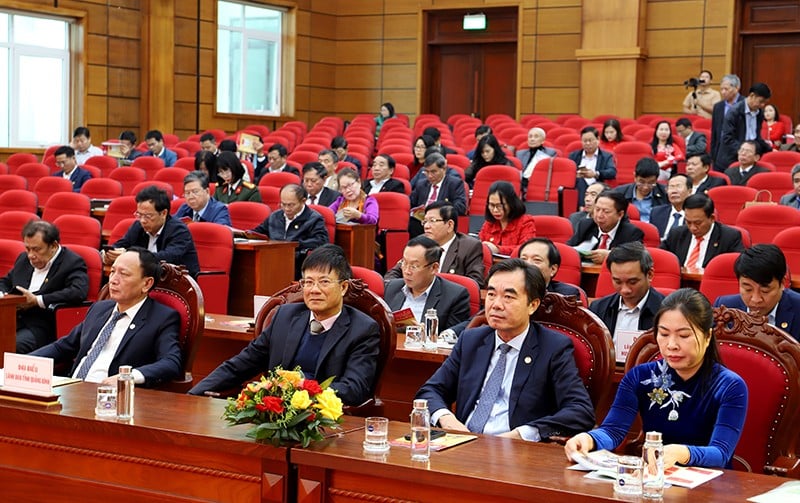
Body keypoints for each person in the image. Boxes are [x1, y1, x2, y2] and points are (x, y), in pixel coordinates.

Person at [566, 288, 747, 469]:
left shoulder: (729, 386)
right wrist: (589, 439)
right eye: (664, 334)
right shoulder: (641, 377)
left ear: (707, 337)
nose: (672, 345)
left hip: (708, 485)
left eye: (684, 336)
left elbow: (721, 453)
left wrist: (681, 453)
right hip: (655, 476)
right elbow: (613, 430)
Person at [416, 259, 595, 440]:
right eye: (492, 294)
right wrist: (448, 421)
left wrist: (523, 434)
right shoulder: (471, 340)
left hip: (517, 453)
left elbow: (580, 411)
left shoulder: (553, 347)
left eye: (508, 297)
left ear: (532, 305)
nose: (496, 304)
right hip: (463, 445)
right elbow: (430, 391)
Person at [189, 244, 381, 406]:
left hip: (327, 420)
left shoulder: (362, 329)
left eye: (324, 282)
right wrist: (194, 394)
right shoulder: (285, 317)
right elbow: (241, 364)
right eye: (308, 282)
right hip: (274, 414)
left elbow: (354, 389)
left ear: (343, 287)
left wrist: (297, 391)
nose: (314, 290)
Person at [32, 248, 183, 387]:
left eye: (124, 274)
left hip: (111, 399)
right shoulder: (100, 308)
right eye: (112, 272)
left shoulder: (162, 318)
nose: (113, 280)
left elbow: (171, 362)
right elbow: (63, 346)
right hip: (73, 389)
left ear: (147, 283)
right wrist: (21, 363)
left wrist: (128, 377)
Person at [0, 221, 88, 353]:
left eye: (36, 249)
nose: (31, 255)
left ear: (53, 246)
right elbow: (5, 282)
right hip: (12, 319)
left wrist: (38, 300)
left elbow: (78, 292)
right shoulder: (23, 259)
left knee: (10, 346)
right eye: (28, 249)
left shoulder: (72, 262)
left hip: (42, 325)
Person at [105, 185, 200, 277]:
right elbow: (121, 245)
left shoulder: (179, 230)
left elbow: (167, 257)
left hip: (177, 283)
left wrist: (129, 255)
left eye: (148, 216)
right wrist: (109, 254)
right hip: (146, 280)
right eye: (139, 215)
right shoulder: (138, 226)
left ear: (163, 213)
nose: (142, 220)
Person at [385, 201, 485, 288]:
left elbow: (475, 283)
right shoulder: (420, 242)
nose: (426, 226)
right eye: (425, 221)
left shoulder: (469, 247)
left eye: (432, 221)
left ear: (450, 225)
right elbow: (392, 274)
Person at [384, 236, 471, 330]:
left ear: (434, 268)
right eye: (404, 263)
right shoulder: (392, 287)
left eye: (414, 266)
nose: (407, 271)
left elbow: (451, 339)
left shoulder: (455, 296)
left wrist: (426, 335)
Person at [713, 244, 800, 339]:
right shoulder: (725, 307)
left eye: (765, 291)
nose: (756, 299)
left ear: (782, 283)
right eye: (748, 289)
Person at [251, 184, 330, 278]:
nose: (287, 209)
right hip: (271, 261)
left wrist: (294, 245)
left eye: (291, 205)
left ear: (303, 201)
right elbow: (257, 233)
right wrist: (243, 235)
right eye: (283, 204)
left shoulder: (314, 219)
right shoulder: (275, 216)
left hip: (296, 263)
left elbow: (321, 241)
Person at [589, 242, 665, 339]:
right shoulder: (598, 309)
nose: (625, 290)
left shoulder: (667, 311)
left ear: (649, 275)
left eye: (632, 282)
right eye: (618, 282)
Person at [660, 193, 744, 271]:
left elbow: (736, 268)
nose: (692, 228)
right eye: (688, 222)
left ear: (712, 218)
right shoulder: (677, 234)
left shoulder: (729, 237)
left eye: (698, 223)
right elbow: (660, 259)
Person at [567, 190, 644, 265]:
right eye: (597, 209)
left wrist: (610, 255)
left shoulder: (632, 232)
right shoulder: (585, 225)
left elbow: (636, 258)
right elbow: (568, 249)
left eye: (606, 211)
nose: (599, 215)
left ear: (620, 214)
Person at [717, 82, 772, 173]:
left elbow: (756, 137)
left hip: (749, 158)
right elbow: (727, 139)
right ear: (752, 95)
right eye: (761, 101)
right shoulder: (734, 112)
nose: (763, 105)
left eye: (765, 103)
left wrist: (768, 149)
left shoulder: (759, 113)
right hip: (731, 158)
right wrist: (745, 151)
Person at [409, 152, 467, 237]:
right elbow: (411, 203)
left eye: (433, 172)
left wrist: (439, 212)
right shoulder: (421, 184)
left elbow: (460, 207)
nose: (429, 176)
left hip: (440, 221)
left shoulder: (454, 183)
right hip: (420, 223)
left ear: (443, 169)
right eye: (426, 172)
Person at [478, 181, 537, 255]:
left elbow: (526, 249)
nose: (495, 210)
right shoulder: (489, 223)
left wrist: (498, 249)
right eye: (492, 205)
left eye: (499, 206)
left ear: (511, 203)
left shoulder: (525, 222)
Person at [518, 237, 583, 299]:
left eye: (537, 260)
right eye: (523, 259)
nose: (528, 264)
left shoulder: (566, 295)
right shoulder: (509, 289)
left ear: (553, 269)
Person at [569, 126, 617, 205]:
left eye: (590, 140)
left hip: (598, 187)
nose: (587, 143)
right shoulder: (574, 156)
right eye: (585, 141)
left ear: (598, 139)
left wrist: (595, 174)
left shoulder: (606, 156)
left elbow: (612, 172)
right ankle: (582, 207)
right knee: (580, 181)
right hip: (578, 187)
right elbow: (568, 173)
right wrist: (575, 175)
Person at [613, 157, 668, 223]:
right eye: (641, 182)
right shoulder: (619, 193)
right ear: (635, 177)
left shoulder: (665, 193)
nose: (645, 187)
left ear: (656, 179)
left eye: (651, 183)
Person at [710, 74, 744, 170]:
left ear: (736, 88)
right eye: (721, 89)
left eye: (726, 89)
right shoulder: (718, 107)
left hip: (738, 150)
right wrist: (713, 154)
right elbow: (715, 132)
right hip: (720, 151)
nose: (723, 92)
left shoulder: (745, 104)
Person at [649, 174, 692, 239]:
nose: (674, 191)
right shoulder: (656, 212)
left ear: (690, 191)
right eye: (671, 187)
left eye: (679, 186)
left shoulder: (695, 215)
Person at [518, 127, 557, 196]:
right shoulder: (520, 154)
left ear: (543, 140)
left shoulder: (550, 153)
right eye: (530, 136)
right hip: (522, 184)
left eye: (536, 136)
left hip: (539, 184)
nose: (532, 139)